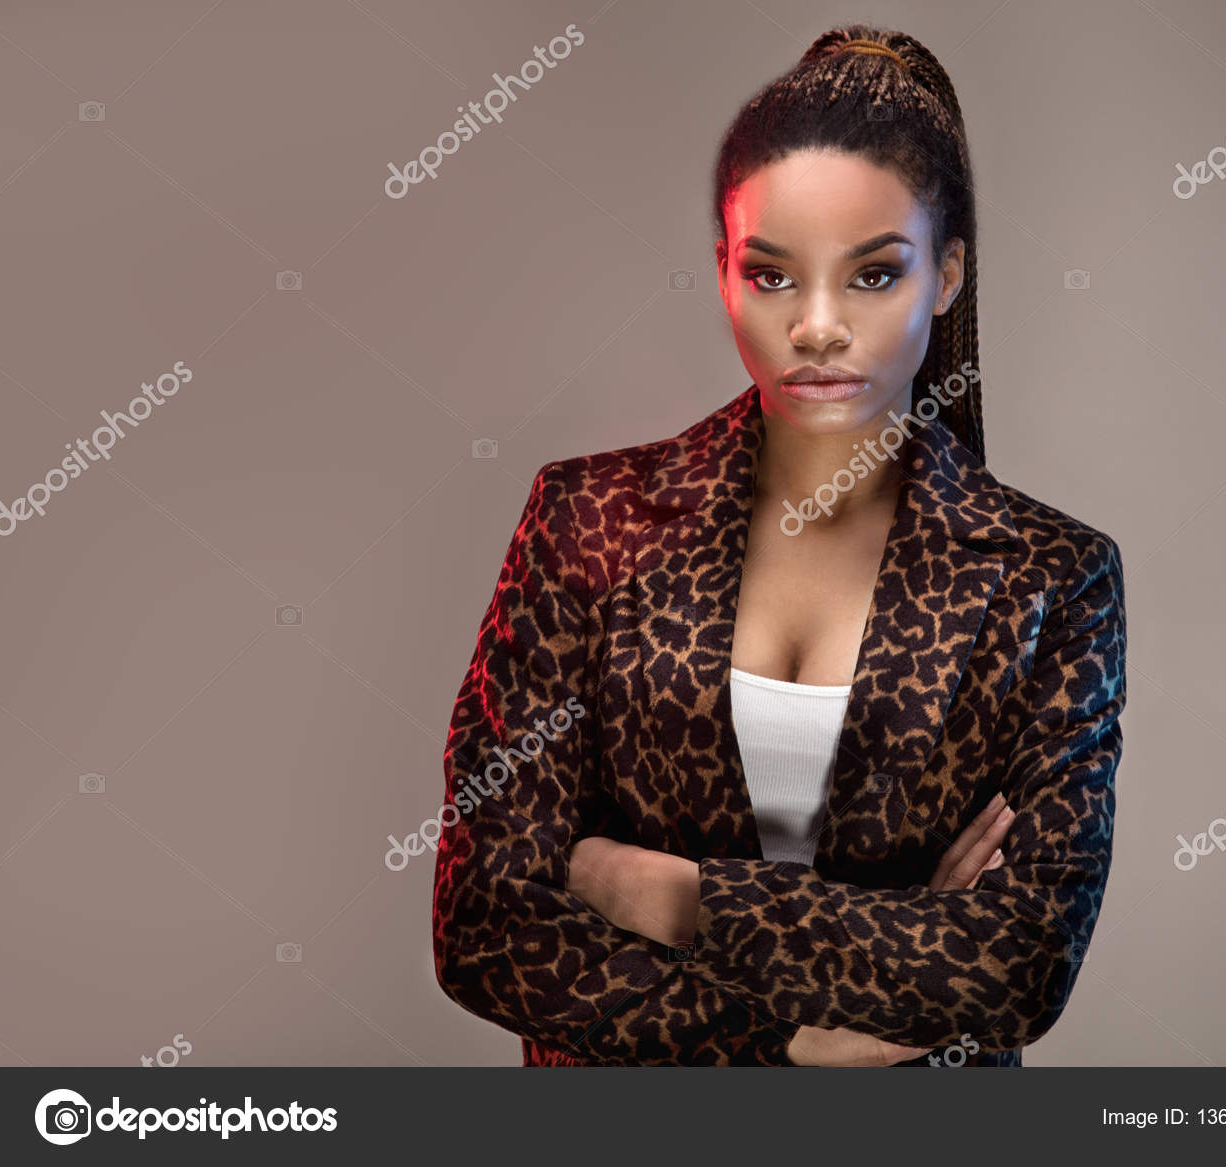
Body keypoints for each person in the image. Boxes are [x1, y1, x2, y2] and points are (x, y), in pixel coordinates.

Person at [432, 23, 1126, 1068]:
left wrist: (678, 896)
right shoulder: (588, 523)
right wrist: (795, 1041)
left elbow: (1018, 962)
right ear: (721, 271)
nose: (816, 327)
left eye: (872, 276)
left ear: (947, 276)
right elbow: (486, 922)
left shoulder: (1046, 576)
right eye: (770, 276)